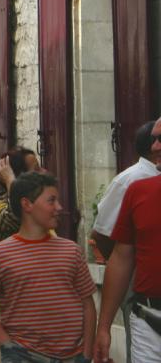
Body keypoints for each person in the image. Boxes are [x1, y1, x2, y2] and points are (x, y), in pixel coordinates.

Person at [0, 172, 95, 363]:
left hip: (73, 356)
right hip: (23, 355)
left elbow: (88, 304)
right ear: (27, 204)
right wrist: (5, 344)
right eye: (51, 201)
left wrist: (86, 354)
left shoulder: (72, 251)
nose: (59, 207)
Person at [94, 154, 161, 363]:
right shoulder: (138, 191)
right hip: (147, 323)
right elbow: (121, 258)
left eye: (160, 138)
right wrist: (103, 328)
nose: (155, 146)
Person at [92, 119, 161, 259]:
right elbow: (102, 234)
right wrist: (128, 269)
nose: (156, 145)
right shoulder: (130, 179)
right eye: (157, 139)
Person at [0, 147, 40, 245]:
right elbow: (13, 221)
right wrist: (10, 180)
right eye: (36, 169)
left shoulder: (38, 200)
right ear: (19, 177)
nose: (43, 172)